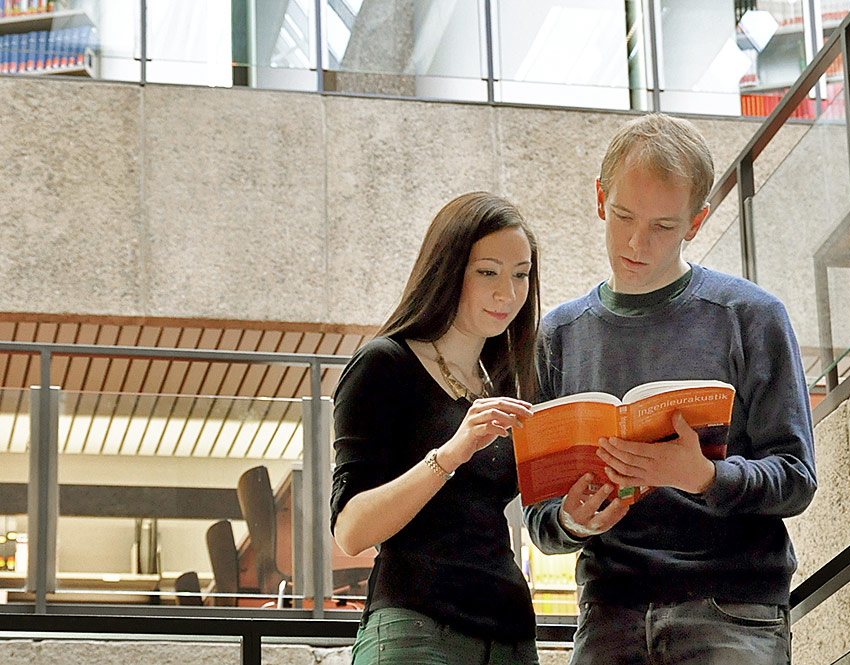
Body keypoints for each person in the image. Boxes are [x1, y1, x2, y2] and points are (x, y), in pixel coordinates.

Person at [523, 113, 817, 665]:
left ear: (696, 221)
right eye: (623, 216)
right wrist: (572, 520)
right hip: (609, 615)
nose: (636, 242)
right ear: (599, 197)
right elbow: (540, 517)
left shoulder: (750, 317)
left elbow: (797, 479)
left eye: (662, 226)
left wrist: (704, 477)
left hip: (733, 610)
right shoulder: (558, 336)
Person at [331, 191, 541, 665]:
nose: (507, 293)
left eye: (521, 275)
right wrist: (451, 453)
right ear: (449, 269)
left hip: (511, 635)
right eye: (487, 272)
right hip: (416, 628)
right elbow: (351, 530)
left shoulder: (505, 380)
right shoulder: (384, 364)